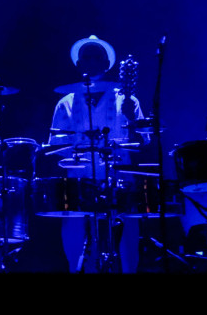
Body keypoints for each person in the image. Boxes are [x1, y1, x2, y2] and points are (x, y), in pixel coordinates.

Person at [47, 35, 143, 273]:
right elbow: (57, 148)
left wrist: (132, 119)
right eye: (86, 57)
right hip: (80, 179)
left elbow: (143, 141)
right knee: (74, 232)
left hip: (120, 176)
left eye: (96, 57)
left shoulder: (127, 99)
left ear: (107, 63)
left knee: (128, 236)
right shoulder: (65, 103)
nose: (91, 61)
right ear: (78, 64)